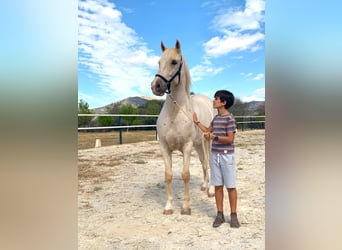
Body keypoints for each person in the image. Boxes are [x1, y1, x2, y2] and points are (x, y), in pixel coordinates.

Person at [193, 90, 240, 228]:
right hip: (215, 155)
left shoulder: (230, 119)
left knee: (230, 186)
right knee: (218, 186)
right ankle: (219, 215)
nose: (214, 101)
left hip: (227, 156)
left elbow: (231, 139)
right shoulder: (216, 119)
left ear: (224, 102)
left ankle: (233, 215)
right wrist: (196, 122)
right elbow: (208, 130)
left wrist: (214, 138)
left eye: (216, 99)